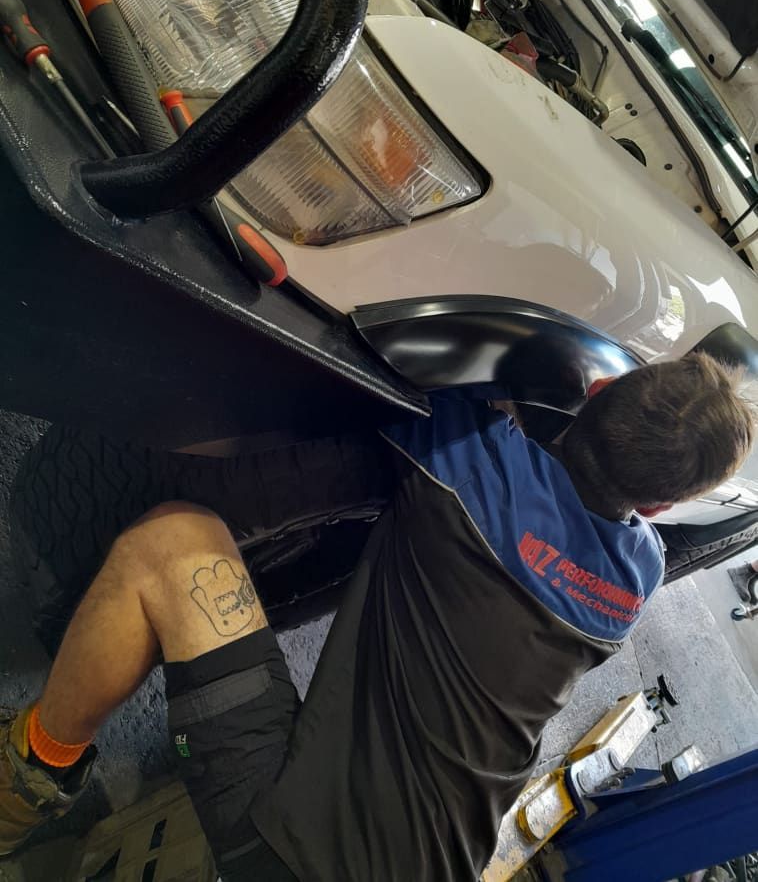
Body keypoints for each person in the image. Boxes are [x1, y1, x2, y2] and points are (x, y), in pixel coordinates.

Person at [0, 352, 753, 880]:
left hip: (297, 853)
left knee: (167, 545)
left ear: (598, 390)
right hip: (439, 862)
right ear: (659, 508)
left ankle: (25, 780)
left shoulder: (461, 456)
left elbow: (410, 371)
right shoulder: (636, 579)